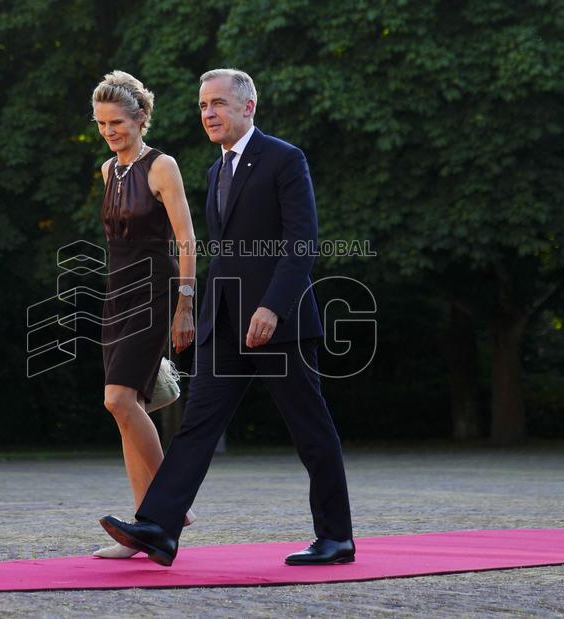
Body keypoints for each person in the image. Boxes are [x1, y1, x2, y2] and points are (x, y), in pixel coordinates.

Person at [100, 69, 354, 566]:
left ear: (248, 107)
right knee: (197, 426)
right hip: (227, 322)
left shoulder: (284, 159)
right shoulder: (215, 171)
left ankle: (336, 537)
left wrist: (272, 307)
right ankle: (159, 527)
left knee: (310, 428)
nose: (209, 113)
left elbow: (301, 243)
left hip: (280, 323)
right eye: (202, 106)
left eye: (218, 103)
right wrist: (198, 312)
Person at [91, 71, 197, 558]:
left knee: (119, 401)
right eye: (101, 124)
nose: (109, 131)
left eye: (116, 122)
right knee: (124, 409)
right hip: (116, 295)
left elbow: (186, 240)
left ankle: (168, 506)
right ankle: (143, 530)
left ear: (139, 117)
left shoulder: (162, 166)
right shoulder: (108, 171)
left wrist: (185, 305)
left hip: (155, 292)